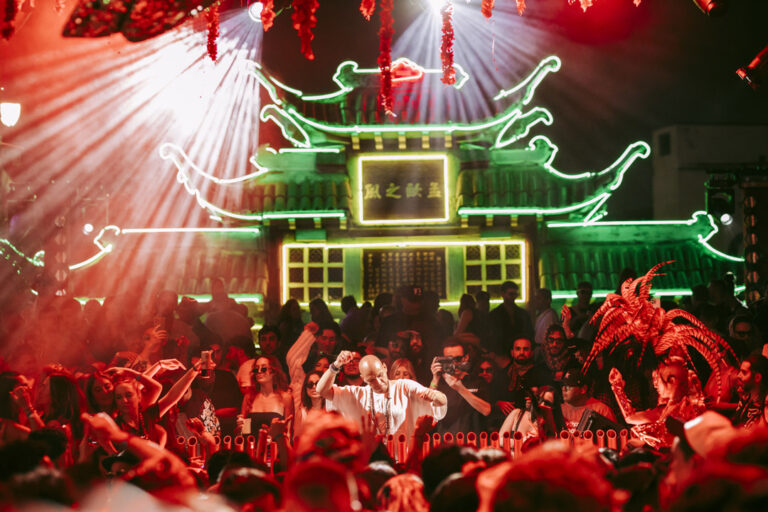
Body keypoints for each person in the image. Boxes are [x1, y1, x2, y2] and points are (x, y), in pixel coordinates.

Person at [317, 352, 447, 438]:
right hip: (373, 460)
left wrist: (436, 397)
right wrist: (336, 365)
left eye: (380, 375)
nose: (378, 382)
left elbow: (441, 401)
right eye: (372, 380)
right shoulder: (357, 394)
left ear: (385, 367)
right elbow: (322, 390)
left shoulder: (404, 386)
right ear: (363, 378)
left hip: (404, 455)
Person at [430, 338, 491, 435]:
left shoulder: (477, 381)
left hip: (473, 440)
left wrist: (460, 389)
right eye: (449, 360)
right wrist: (435, 379)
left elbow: (486, 410)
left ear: (465, 358)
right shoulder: (440, 383)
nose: (454, 363)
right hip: (445, 440)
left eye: (458, 359)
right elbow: (427, 411)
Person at [238, 355, 294, 434]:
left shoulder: (285, 398)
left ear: (273, 372)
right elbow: (244, 432)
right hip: (253, 441)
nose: (259, 371)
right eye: (256, 369)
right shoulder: (249, 397)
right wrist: (240, 427)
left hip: (275, 441)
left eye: (263, 368)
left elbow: (288, 432)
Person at [488, 281, 534, 356]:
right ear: (502, 294)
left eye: (516, 294)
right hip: (501, 353)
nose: (514, 297)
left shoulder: (523, 314)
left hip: (520, 352)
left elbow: (529, 333)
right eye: (511, 294)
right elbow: (492, 337)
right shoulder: (494, 315)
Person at [733, 353, 768, 428]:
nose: (738, 375)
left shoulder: (765, 404)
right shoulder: (745, 397)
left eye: (744, 372)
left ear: (757, 377)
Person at [295, 371, 325, 435]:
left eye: (318, 384)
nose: (314, 387)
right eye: (310, 384)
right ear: (306, 388)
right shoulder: (301, 413)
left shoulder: (331, 408)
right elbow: (296, 438)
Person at [532, 288, 558, 355]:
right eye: (535, 298)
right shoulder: (542, 314)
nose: (535, 301)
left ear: (548, 300)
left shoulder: (550, 316)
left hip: (544, 352)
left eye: (538, 298)